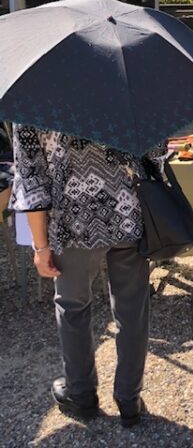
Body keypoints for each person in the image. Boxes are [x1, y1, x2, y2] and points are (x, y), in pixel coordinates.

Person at [9, 127, 166, 427]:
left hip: (72, 222)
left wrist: (41, 246)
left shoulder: (35, 93)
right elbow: (155, 152)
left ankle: (80, 394)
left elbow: (32, 178)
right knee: (132, 308)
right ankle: (129, 398)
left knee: (73, 306)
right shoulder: (126, 80)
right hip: (128, 212)